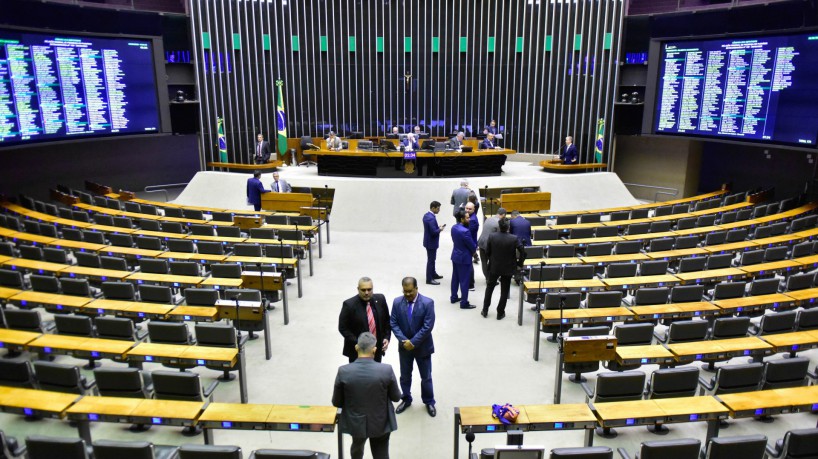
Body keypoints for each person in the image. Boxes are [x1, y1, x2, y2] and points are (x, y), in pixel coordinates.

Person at [332, 332, 401, 459]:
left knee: (357, 447)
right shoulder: (386, 370)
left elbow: (336, 402)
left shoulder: (344, 371)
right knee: (381, 453)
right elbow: (396, 397)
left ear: (356, 348)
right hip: (381, 422)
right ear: (374, 350)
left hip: (356, 422)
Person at [390, 277, 436, 417]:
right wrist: (405, 341)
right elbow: (393, 323)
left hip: (422, 348)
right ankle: (406, 398)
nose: (408, 294)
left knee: (426, 376)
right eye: (405, 291)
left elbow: (428, 326)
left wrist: (413, 342)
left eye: (410, 291)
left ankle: (429, 401)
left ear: (416, 288)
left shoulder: (427, 303)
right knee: (405, 376)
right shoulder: (397, 302)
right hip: (405, 348)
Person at [482, 218, 526, 320]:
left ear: (499, 226)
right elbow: (523, 252)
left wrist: (492, 259)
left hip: (494, 266)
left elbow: (487, 251)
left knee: (489, 288)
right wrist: (519, 263)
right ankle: (500, 313)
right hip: (508, 268)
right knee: (504, 291)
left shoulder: (492, 236)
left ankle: (485, 310)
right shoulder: (514, 238)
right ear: (508, 227)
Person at [339, 277, 391, 363]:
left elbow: (387, 321)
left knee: (376, 375)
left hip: (376, 350)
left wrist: (386, 337)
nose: (366, 293)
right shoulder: (349, 305)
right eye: (363, 290)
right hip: (358, 353)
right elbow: (343, 328)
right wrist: (360, 343)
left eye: (369, 289)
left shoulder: (381, 299)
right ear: (358, 289)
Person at [450, 209, 477, 309]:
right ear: (462, 219)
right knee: (465, 281)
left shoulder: (453, 228)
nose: (469, 219)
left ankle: (453, 297)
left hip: (455, 255)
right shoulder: (465, 231)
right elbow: (472, 247)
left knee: (455, 278)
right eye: (467, 218)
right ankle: (464, 302)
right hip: (464, 258)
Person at [477, 207, 506, 280]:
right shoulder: (499, 222)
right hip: (489, 245)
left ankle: (487, 278)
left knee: (484, 262)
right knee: (493, 262)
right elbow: (500, 236)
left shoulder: (488, 219)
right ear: (503, 215)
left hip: (481, 242)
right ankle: (489, 279)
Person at [423, 201, 446, 285]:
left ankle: (433, 274)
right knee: (431, 260)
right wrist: (440, 229)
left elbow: (430, 228)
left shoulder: (426, 215)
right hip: (431, 242)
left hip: (428, 241)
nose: (439, 210)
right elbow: (433, 232)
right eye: (438, 208)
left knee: (432, 259)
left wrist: (437, 227)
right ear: (433, 208)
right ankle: (429, 279)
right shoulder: (431, 218)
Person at [465, 201, 479, 289]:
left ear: (474, 209)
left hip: (470, 245)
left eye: (470, 209)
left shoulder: (472, 220)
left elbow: (468, 234)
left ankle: (471, 284)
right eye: (466, 208)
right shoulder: (469, 217)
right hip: (470, 244)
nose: (468, 210)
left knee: (469, 265)